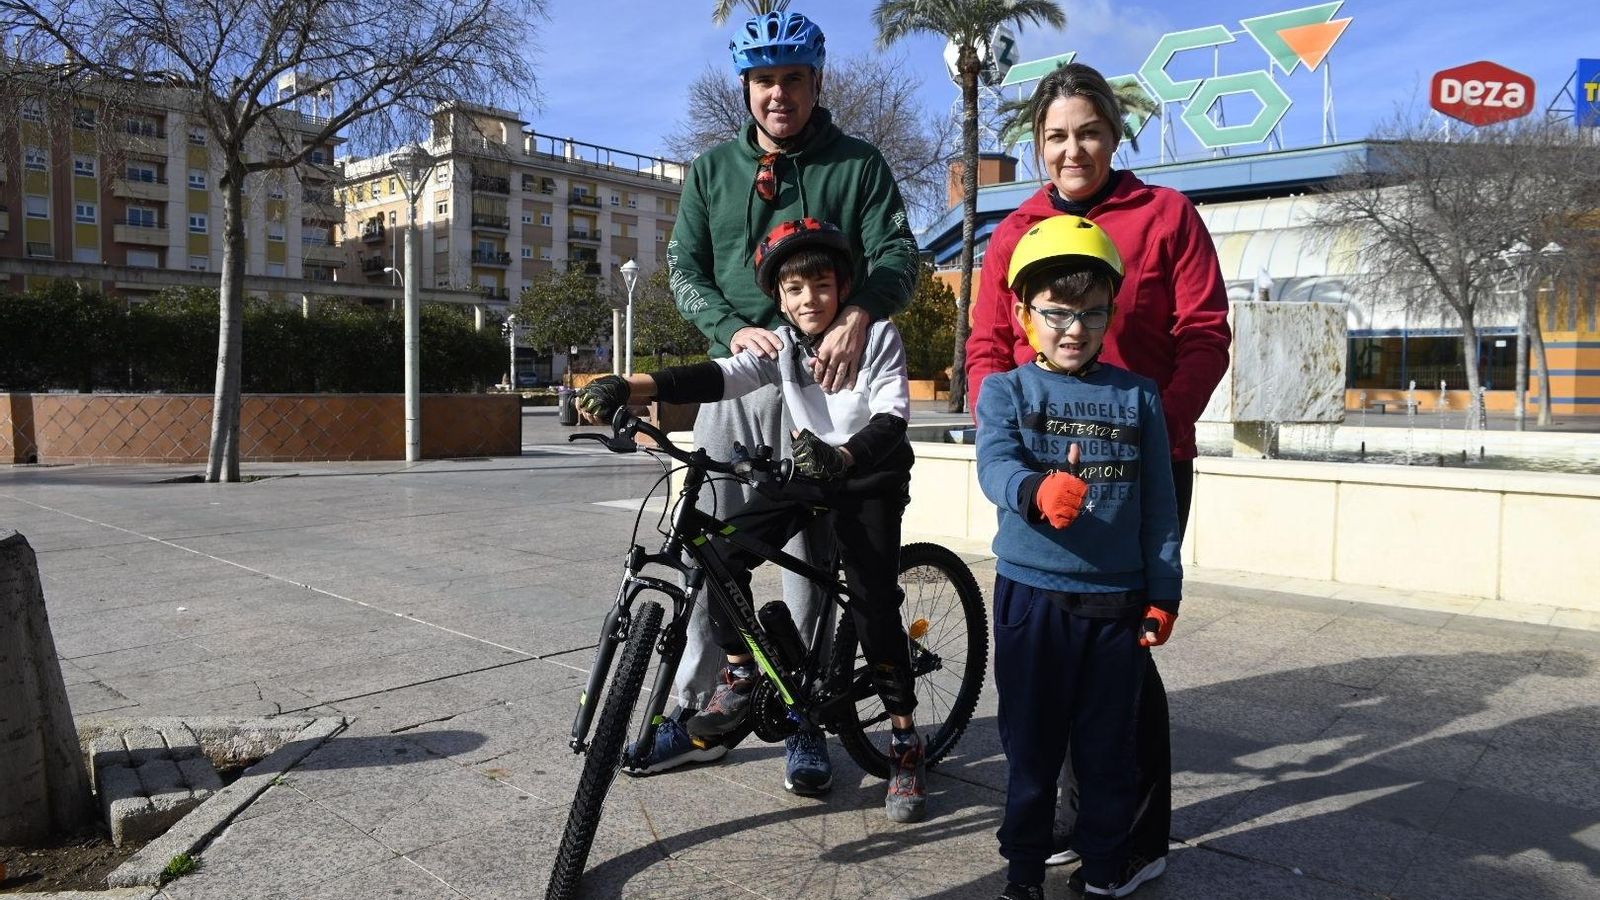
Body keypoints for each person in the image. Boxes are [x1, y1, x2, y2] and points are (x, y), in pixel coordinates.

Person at [635, 8, 920, 793]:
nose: (779, 94)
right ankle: (703, 706)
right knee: (711, 547)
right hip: (743, 374)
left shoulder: (858, 164)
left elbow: (899, 251)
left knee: (814, 561)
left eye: (793, 78)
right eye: (764, 80)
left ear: (816, 81)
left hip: (829, 377)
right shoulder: (710, 171)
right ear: (747, 88)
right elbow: (686, 266)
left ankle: (805, 722)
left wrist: (861, 313)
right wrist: (731, 329)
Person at [966, 62, 1232, 891]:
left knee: (1123, 667)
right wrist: (1006, 435)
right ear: (1037, 146)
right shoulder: (1016, 230)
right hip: (1043, 486)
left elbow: (1206, 334)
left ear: (1115, 136)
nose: (1071, 148)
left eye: (1088, 131)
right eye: (1055, 135)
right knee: (1051, 673)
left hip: (1142, 470)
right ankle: (1067, 821)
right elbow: (984, 349)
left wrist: (1159, 428)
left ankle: (1134, 834)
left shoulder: (1166, 215)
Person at [576, 219, 926, 822]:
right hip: (812, 470)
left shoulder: (878, 336)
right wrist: (630, 385)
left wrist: (843, 456)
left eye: (821, 284)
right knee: (719, 548)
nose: (808, 299)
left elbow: (892, 418)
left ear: (843, 287)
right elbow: (718, 376)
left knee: (871, 605)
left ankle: (904, 742)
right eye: (794, 290)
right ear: (780, 298)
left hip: (870, 476)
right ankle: (740, 673)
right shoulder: (786, 346)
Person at [975, 216, 1182, 899]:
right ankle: (1024, 873)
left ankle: (1101, 871)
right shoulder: (1007, 391)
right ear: (1022, 311)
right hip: (1032, 599)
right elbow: (996, 465)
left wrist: (1164, 588)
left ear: (1110, 313)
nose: (1074, 328)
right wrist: (1034, 490)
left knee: (1107, 752)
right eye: (1057, 312)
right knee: (1031, 751)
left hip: (1116, 604)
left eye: (1092, 313)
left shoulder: (1138, 396)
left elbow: (1158, 504)